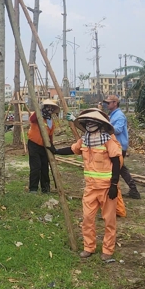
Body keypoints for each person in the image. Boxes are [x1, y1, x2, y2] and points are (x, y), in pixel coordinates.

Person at [50, 109, 123, 262]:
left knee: (109, 221)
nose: (89, 125)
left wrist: (114, 185)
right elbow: (72, 149)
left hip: (107, 188)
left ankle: (108, 250)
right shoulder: (84, 141)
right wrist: (55, 151)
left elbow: (116, 162)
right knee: (87, 219)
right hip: (90, 188)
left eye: (92, 122)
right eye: (87, 122)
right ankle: (89, 247)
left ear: (100, 124)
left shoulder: (108, 140)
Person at [104, 95, 141, 199]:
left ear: (115, 103)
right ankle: (133, 190)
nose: (107, 105)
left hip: (119, 146)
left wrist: (105, 127)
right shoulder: (112, 115)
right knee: (120, 168)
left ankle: (131, 190)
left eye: (109, 103)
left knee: (119, 168)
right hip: (115, 146)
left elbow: (118, 130)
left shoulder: (119, 116)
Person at [27, 99, 59, 193]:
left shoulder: (51, 121)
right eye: (47, 107)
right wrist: (39, 111)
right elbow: (31, 120)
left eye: (51, 108)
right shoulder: (37, 116)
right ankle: (33, 189)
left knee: (44, 167)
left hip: (45, 146)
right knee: (36, 167)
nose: (49, 109)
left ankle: (45, 189)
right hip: (34, 144)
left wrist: (51, 146)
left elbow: (50, 134)